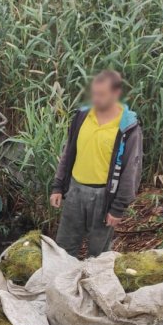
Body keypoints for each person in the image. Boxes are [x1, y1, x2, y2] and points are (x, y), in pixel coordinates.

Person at [50, 70, 143, 258]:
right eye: (94, 93)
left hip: (104, 197)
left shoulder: (128, 127)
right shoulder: (82, 116)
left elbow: (131, 171)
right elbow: (68, 153)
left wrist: (118, 208)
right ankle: (60, 284)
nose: (96, 99)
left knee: (98, 255)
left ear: (116, 94)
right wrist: (58, 186)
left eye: (102, 95)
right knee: (63, 250)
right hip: (75, 191)